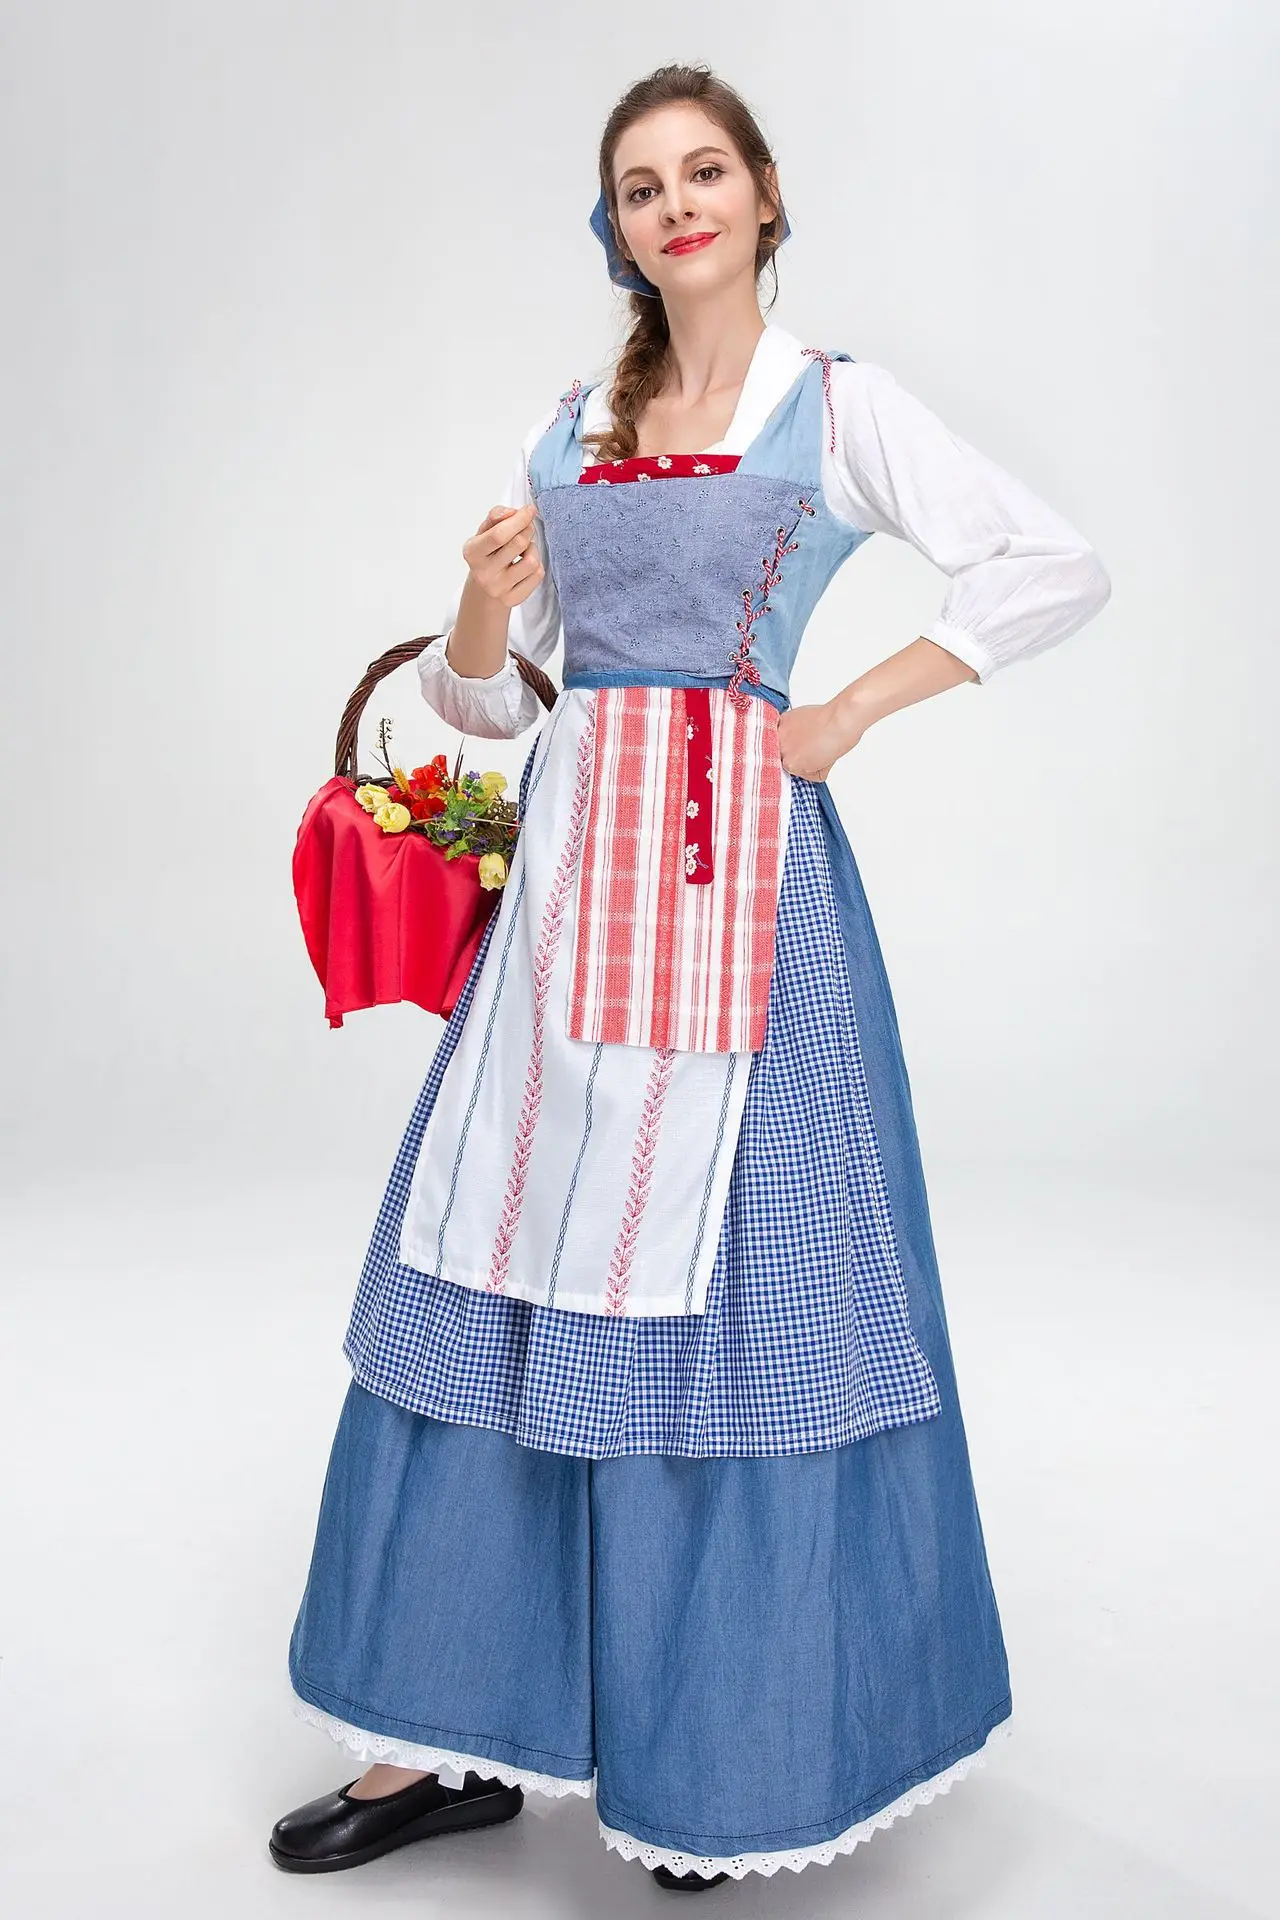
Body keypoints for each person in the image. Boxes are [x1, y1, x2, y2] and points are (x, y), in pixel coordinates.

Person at [269, 62, 1112, 1892]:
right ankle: (432, 1741)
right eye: (643, 187)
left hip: (748, 903)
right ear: (619, 228)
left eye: (704, 171)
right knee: (491, 1263)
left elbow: (1051, 565)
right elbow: (485, 700)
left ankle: (712, 1765)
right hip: (574, 892)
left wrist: (846, 711)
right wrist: (485, 592)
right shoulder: (569, 426)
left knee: (734, 1306)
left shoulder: (836, 406)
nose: (678, 206)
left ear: (764, 192)